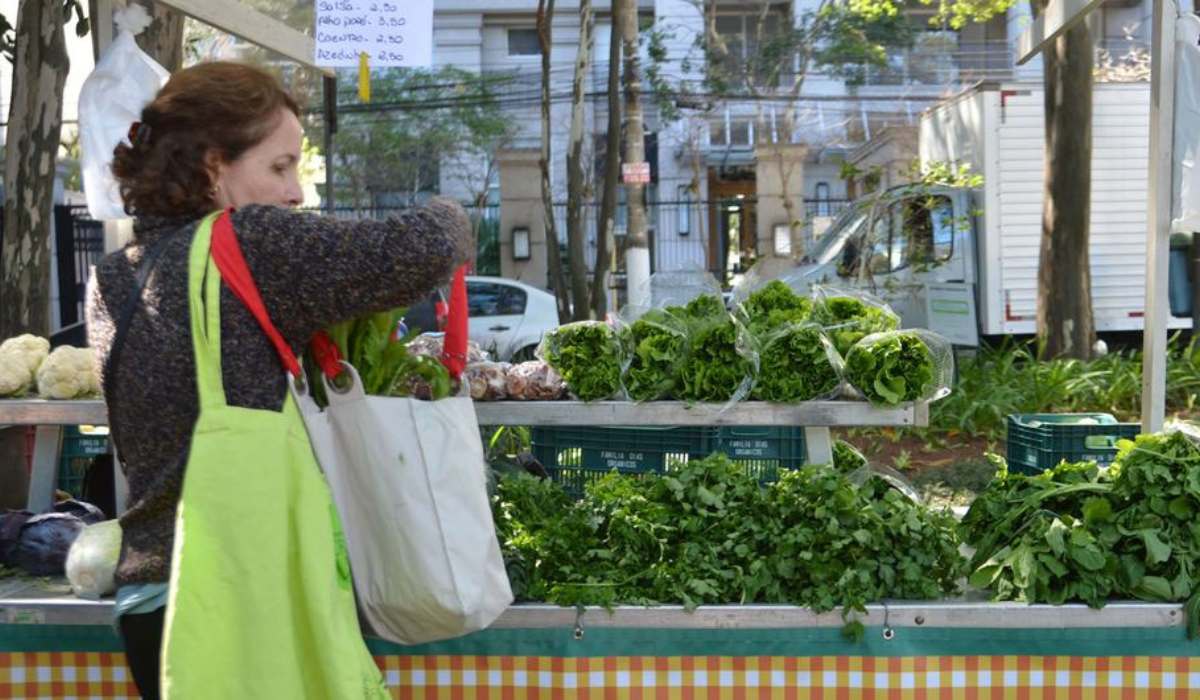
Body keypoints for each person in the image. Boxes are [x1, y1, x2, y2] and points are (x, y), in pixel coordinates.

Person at [85, 61, 473, 698]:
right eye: (280, 166)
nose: (296, 192)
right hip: (241, 599)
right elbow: (421, 250)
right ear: (214, 166)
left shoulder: (112, 278)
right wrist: (453, 213)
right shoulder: (246, 243)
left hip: (152, 606)